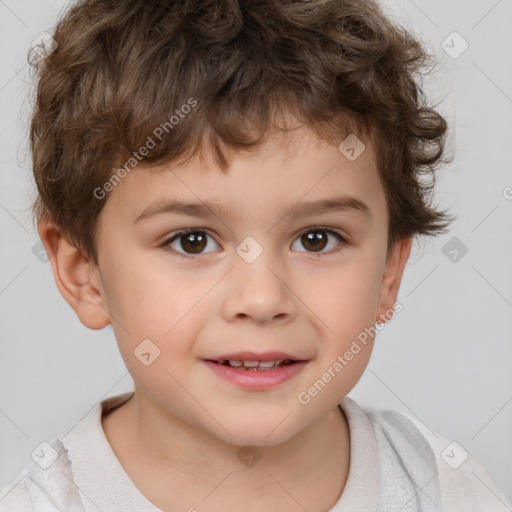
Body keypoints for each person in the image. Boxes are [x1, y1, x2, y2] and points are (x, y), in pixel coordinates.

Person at [1, 0, 510, 510]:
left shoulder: (450, 490)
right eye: (192, 241)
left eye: (317, 239)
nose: (263, 298)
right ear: (84, 274)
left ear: (388, 273)